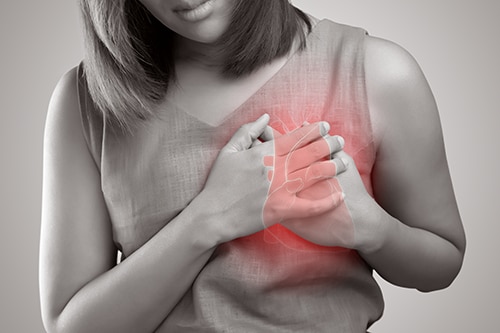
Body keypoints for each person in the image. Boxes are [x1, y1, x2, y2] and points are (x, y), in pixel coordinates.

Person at [39, 0, 466, 332]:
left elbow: (443, 262)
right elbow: (71, 324)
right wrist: (208, 219)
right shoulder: (86, 104)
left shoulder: (379, 72)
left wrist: (371, 228)